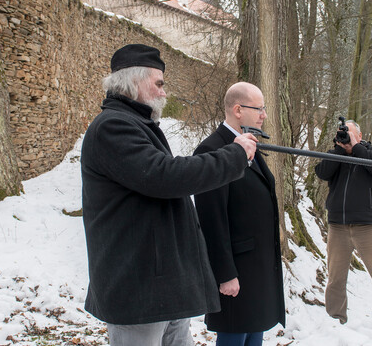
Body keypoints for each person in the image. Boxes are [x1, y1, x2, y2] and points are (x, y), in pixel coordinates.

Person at [80, 44, 259, 346]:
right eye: (159, 83)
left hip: (163, 286)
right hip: (138, 290)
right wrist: (233, 156)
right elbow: (165, 176)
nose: (164, 92)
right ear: (134, 81)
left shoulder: (137, 124)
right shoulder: (113, 127)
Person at [193, 82, 285, 346]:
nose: (264, 115)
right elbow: (211, 218)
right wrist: (225, 273)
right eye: (259, 108)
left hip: (256, 266)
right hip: (236, 270)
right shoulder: (212, 150)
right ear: (237, 109)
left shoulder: (249, 145)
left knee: (254, 335)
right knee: (235, 336)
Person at [314, 119, 372, 343]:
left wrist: (356, 148)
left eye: (349, 134)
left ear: (360, 135)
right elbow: (322, 173)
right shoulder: (336, 154)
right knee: (335, 277)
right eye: (342, 134)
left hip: (368, 226)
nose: (345, 137)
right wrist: (339, 150)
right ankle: (335, 318)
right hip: (338, 226)